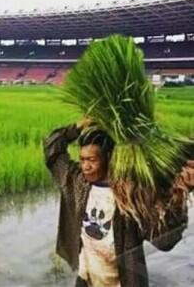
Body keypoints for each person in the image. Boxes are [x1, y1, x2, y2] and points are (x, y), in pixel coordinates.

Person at [43, 118, 194, 287]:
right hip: (87, 279)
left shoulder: (130, 195)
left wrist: (181, 193)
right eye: (82, 159)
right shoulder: (76, 182)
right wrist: (78, 127)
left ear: (108, 157)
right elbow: (52, 150)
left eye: (92, 160)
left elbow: (165, 242)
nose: (85, 166)